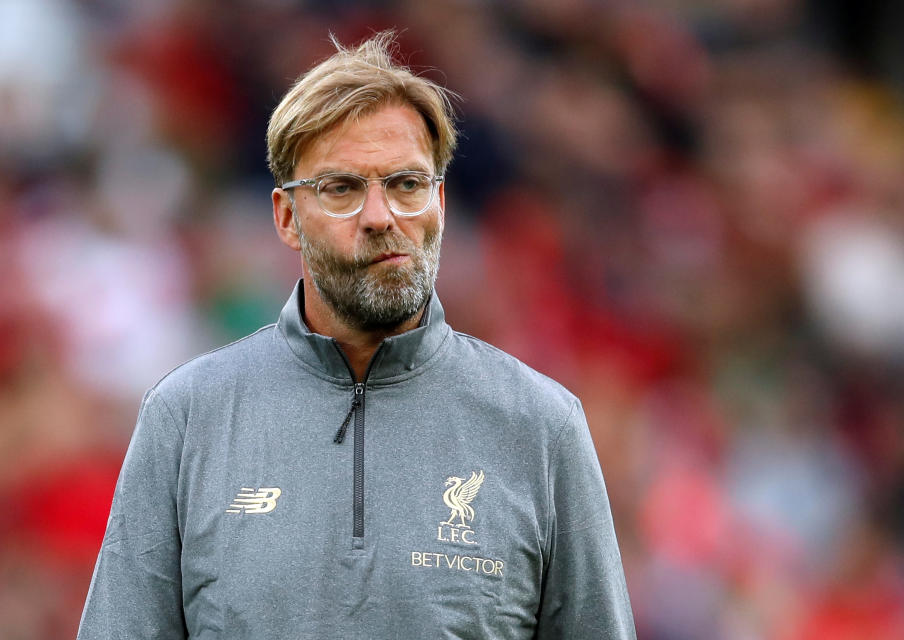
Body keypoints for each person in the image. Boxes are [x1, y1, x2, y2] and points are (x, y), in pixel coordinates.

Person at [77, 31, 635, 639]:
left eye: (406, 184)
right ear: (287, 217)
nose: (380, 216)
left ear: (440, 203)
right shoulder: (187, 417)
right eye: (341, 188)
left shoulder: (540, 426)